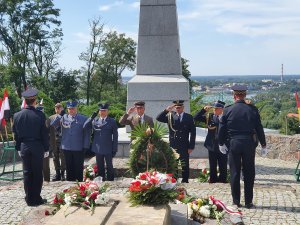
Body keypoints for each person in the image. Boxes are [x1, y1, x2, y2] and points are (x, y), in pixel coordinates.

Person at [218, 85, 266, 209]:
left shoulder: (228, 110)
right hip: (249, 144)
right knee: (249, 172)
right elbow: (259, 128)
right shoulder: (252, 109)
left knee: (234, 172)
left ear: (234, 96)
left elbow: (222, 129)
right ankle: (248, 202)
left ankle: (236, 201)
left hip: (233, 143)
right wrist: (263, 144)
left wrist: (221, 143)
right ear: (244, 95)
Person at [13, 88, 49, 206]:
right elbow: (44, 133)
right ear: (35, 101)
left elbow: (16, 134)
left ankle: (29, 198)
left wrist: (18, 147)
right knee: (37, 173)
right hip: (37, 146)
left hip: (24, 146)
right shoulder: (40, 115)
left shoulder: (17, 115)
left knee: (27, 173)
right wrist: (46, 148)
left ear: (25, 100)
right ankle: (36, 198)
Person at [156, 100, 196, 183]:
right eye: (176, 107)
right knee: (174, 164)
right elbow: (158, 118)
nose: (178, 109)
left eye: (179, 107)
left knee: (185, 164)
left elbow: (193, 133)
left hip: (184, 144)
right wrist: (166, 110)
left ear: (183, 108)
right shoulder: (170, 116)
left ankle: (185, 180)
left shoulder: (189, 117)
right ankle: (175, 180)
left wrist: (191, 146)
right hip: (174, 144)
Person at [51, 101, 90, 181]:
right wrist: (58, 116)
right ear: (67, 109)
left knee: (78, 167)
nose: (71, 110)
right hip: (66, 147)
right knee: (69, 167)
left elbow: (87, 133)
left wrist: (86, 145)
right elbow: (52, 126)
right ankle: (70, 183)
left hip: (78, 147)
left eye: (73, 109)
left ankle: (79, 183)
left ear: (76, 108)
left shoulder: (83, 118)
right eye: (69, 109)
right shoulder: (63, 117)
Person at [194, 100, 228, 183]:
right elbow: (195, 117)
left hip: (223, 144)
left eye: (216, 109)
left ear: (222, 109)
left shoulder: (226, 118)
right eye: (214, 108)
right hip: (211, 144)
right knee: (212, 164)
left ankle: (223, 179)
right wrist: (203, 110)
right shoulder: (209, 117)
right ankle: (213, 179)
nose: (214, 110)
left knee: (223, 164)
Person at [84, 103, 118, 181]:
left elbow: (115, 136)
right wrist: (92, 117)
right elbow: (85, 126)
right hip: (97, 148)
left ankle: (110, 181)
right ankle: (101, 180)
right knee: (100, 166)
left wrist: (114, 148)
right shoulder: (94, 120)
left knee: (109, 166)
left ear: (107, 111)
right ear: (99, 111)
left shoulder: (112, 121)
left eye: (104, 111)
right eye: (101, 110)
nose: (102, 112)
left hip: (108, 148)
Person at [49, 103, 66, 181]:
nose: (58, 109)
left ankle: (63, 174)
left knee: (63, 157)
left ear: (62, 108)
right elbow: (48, 129)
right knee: (55, 157)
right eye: (56, 108)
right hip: (54, 141)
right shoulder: (51, 118)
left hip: (63, 140)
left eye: (59, 107)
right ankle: (57, 174)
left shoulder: (65, 117)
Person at [36, 104, 50, 182]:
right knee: (38, 165)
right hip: (38, 144)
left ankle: (47, 180)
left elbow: (48, 132)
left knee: (45, 165)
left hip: (44, 144)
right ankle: (39, 180)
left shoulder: (46, 119)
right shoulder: (34, 119)